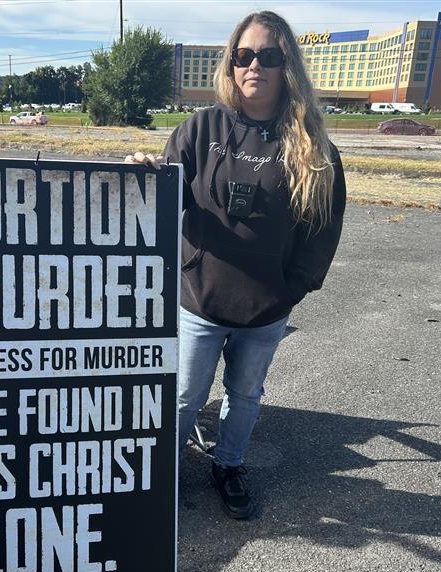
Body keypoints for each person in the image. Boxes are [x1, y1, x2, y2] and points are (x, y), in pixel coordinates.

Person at [126, 10, 346, 519]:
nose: (255, 66)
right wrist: (147, 176)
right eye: (244, 55)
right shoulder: (200, 128)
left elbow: (323, 228)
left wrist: (292, 288)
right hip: (199, 299)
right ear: (231, 63)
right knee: (185, 396)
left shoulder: (312, 144)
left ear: (287, 66)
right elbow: (167, 202)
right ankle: (164, 474)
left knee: (245, 394)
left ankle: (228, 465)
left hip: (267, 305)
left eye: (269, 56)